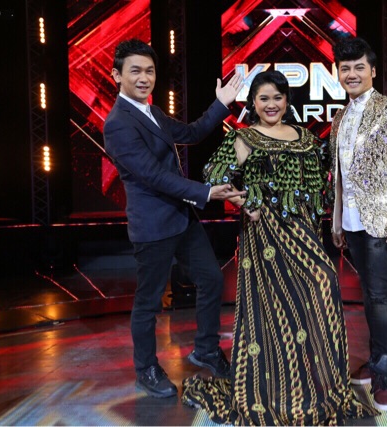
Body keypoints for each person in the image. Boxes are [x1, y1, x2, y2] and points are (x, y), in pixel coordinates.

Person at [181, 70, 378, 425]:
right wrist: (245, 203)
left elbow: (328, 180)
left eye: (277, 97)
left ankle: (318, 386)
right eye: (263, 99)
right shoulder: (245, 138)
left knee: (322, 286)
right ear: (253, 104)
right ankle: (276, 391)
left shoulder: (306, 138)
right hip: (265, 234)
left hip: (305, 231)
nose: (271, 104)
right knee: (274, 309)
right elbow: (214, 175)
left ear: (287, 101)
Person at [103, 39, 246, 398]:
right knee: (149, 302)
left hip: (180, 218)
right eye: (135, 71)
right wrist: (206, 192)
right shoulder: (118, 123)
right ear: (117, 75)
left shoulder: (151, 111)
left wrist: (221, 104)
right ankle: (146, 369)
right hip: (153, 226)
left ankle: (206, 349)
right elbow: (153, 176)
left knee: (211, 279)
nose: (144, 78)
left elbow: (192, 133)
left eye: (149, 71)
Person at [329, 37, 387, 411]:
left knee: (381, 295)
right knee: (370, 293)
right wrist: (337, 222)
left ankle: (384, 370)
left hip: (382, 220)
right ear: (338, 73)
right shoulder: (339, 118)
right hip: (351, 221)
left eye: (358, 67)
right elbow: (339, 175)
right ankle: (377, 356)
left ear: (372, 70)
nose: (351, 74)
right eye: (345, 68)